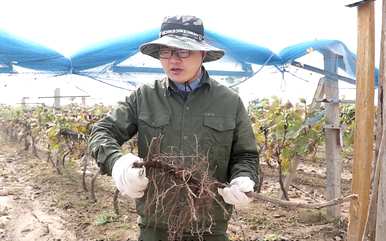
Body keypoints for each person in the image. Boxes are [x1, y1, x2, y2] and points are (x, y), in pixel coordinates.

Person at [88, 15, 259, 241]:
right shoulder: (144, 97)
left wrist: (243, 178)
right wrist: (116, 162)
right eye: (165, 52)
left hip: (209, 228)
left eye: (183, 51)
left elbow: (245, 155)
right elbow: (102, 132)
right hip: (156, 226)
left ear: (203, 54)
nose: (173, 60)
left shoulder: (229, 102)